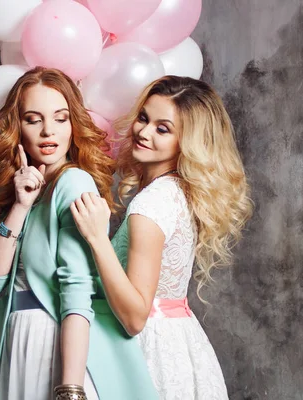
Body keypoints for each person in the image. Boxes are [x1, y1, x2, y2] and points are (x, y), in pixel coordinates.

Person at [0, 67, 158, 400]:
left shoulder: (73, 184)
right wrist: (19, 206)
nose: (48, 132)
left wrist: (69, 389)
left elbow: (77, 293)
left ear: (73, 124)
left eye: (60, 118)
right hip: (17, 340)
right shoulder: (26, 190)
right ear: (18, 127)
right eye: (33, 119)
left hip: (52, 345)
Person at [70, 75, 253, 399]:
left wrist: (97, 238)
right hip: (180, 342)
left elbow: (135, 316)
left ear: (186, 141)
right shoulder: (179, 191)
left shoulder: (150, 205)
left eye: (162, 128)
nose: (143, 131)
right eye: (144, 118)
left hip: (146, 352)